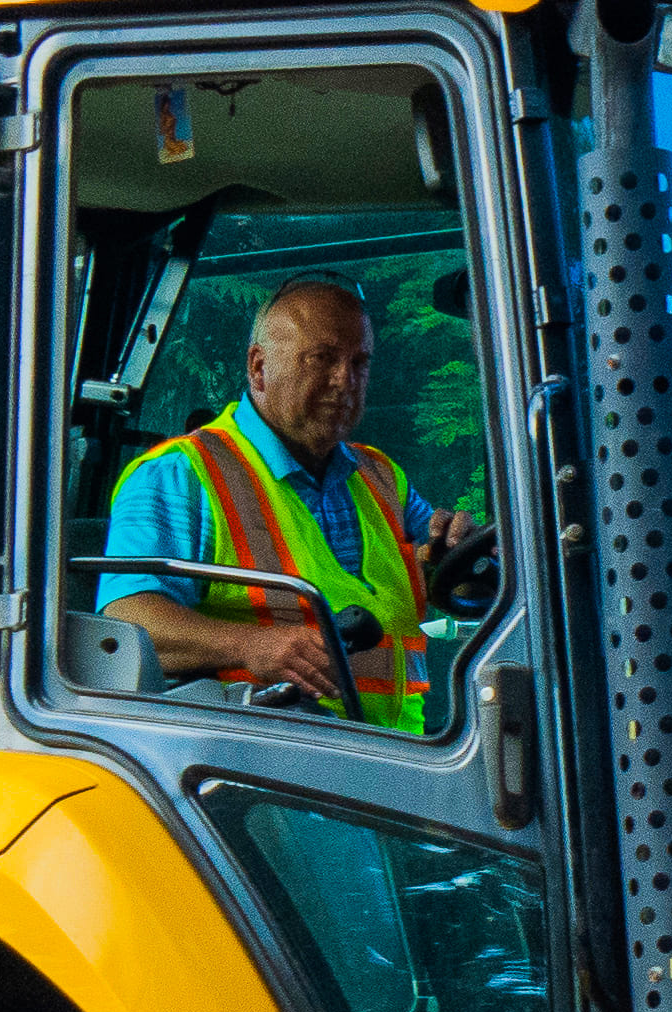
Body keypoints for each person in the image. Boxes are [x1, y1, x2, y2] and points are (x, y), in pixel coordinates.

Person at [97, 276, 492, 727]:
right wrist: (250, 645)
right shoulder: (181, 475)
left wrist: (466, 562)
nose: (344, 381)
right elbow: (128, 621)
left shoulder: (381, 476)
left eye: (359, 362)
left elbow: (450, 583)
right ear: (259, 367)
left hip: (395, 758)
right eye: (321, 359)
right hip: (257, 767)